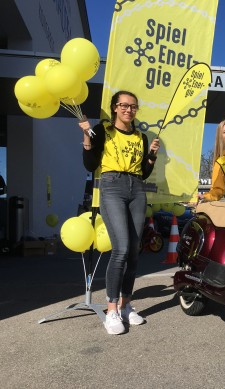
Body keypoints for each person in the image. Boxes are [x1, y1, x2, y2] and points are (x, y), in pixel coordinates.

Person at [79, 90, 160, 335]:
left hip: (137, 188)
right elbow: (90, 164)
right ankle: (111, 309)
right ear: (115, 107)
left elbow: (144, 173)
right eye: (124, 105)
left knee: (135, 250)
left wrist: (152, 156)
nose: (129, 110)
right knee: (122, 248)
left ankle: (126, 305)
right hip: (111, 185)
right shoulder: (103, 130)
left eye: (133, 106)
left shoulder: (141, 136)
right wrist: (86, 136)